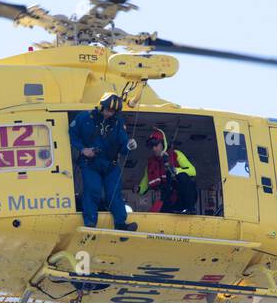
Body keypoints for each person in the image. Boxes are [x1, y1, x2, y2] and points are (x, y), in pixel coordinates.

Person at [70, 93, 138, 231]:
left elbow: (123, 145)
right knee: (92, 190)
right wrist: (83, 150)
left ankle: (120, 223)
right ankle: (90, 222)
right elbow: (72, 134)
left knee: (114, 194)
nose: (109, 113)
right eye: (108, 109)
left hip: (110, 165)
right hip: (90, 163)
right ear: (101, 106)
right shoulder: (84, 117)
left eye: (112, 111)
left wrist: (129, 145)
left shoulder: (118, 123)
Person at [139, 128, 197, 214]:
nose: (154, 149)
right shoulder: (150, 164)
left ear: (162, 144)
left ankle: (190, 208)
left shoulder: (176, 154)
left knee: (183, 176)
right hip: (167, 199)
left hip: (181, 196)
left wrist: (175, 170)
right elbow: (145, 182)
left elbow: (193, 171)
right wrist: (138, 189)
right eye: (152, 146)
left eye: (156, 145)